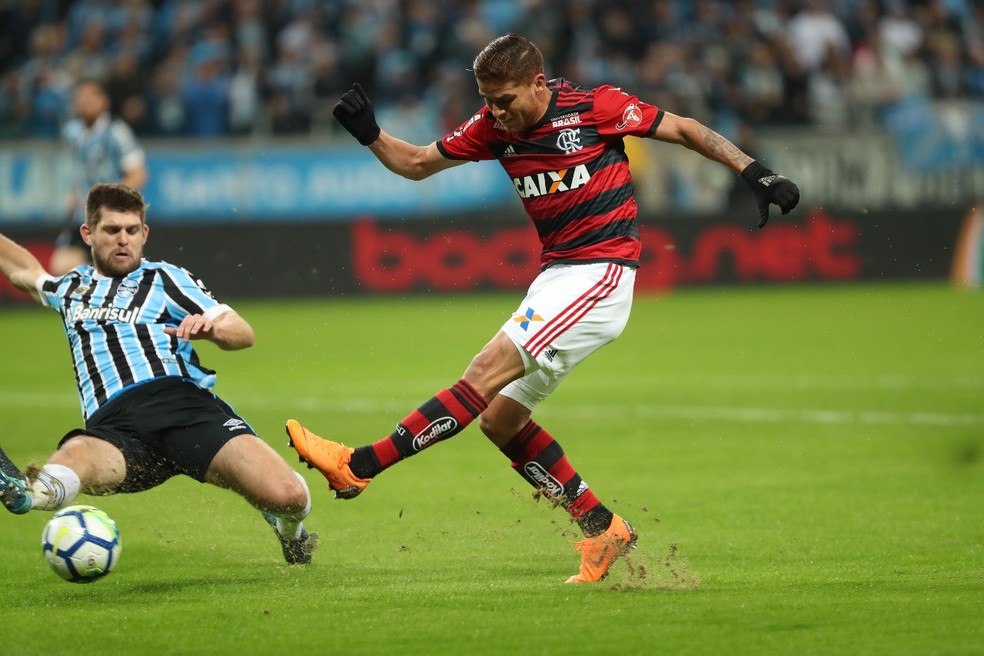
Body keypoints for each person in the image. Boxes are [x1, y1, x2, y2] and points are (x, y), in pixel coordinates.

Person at [287, 34, 799, 583]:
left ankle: (358, 466)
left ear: (537, 83)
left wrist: (755, 172)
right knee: (500, 419)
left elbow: (684, 128)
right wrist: (370, 134)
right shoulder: (491, 127)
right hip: (558, 276)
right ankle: (604, 529)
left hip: (601, 271)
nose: (495, 113)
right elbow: (415, 163)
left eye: (505, 100)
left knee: (482, 374)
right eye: (486, 100)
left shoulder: (595, 108)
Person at [0, 183, 316, 565]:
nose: (123, 240)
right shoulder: (71, 288)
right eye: (112, 230)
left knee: (289, 497)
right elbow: (23, 270)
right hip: (114, 429)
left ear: (144, 234)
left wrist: (212, 330)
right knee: (77, 453)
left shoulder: (165, 280)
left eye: (132, 231)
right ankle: (24, 494)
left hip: (183, 408)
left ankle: (290, 532)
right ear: (88, 234)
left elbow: (242, 332)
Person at [51, 79, 148, 276]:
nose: (85, 102)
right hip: (83, 215)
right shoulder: (72, 133)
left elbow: (138, 173)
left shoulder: (117, 132)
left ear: (104, 101)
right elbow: (78, 170)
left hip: (110, 218)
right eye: (80, 98)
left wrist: (113, 201)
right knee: (62, 268)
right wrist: (73, 194)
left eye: (90, 97)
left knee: (115, 270)